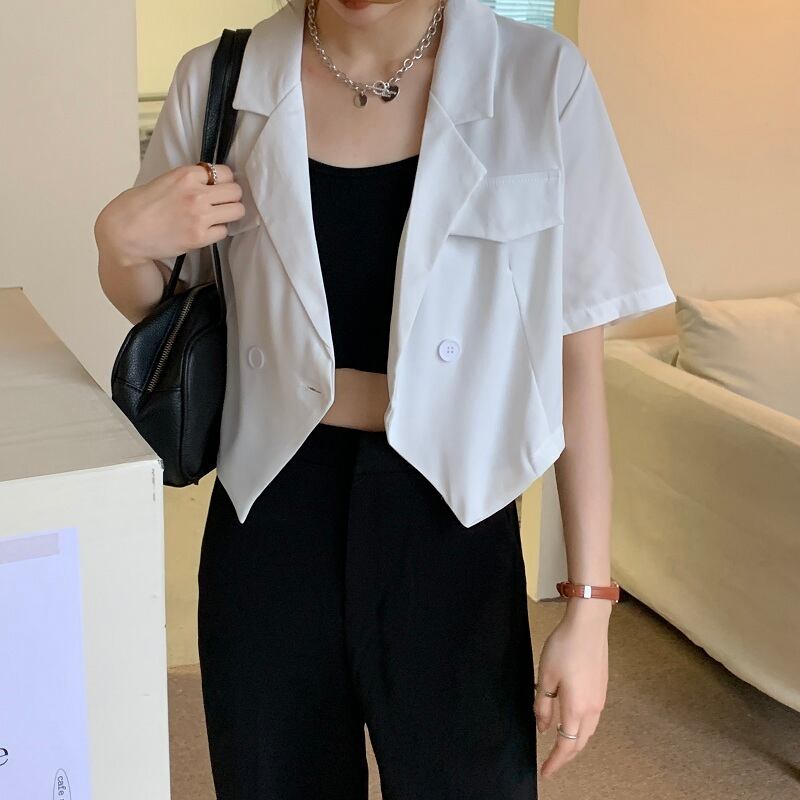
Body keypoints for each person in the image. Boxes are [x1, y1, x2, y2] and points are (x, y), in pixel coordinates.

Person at [95, 0, 676, 796]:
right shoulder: (219, 79)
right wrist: (119, 241)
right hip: (269, 510)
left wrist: (590, 606)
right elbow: (168, 306)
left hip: (452, 514)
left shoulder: (540, 80)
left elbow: (576, 357)